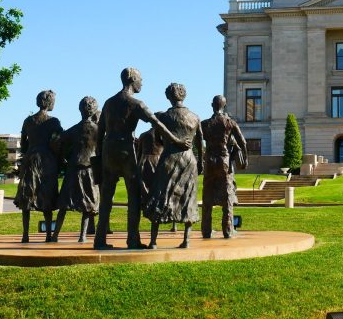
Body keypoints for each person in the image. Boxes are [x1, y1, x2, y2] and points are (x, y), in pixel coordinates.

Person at [93, 67, 191, 250]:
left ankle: (99, 240)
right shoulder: (136, 103)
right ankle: (132, 240)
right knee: (134, 196)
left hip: (108, 151)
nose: (142, 83)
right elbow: (157, 124)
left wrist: (100, 156)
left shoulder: (108, 103)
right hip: (125, 151)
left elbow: (100, 133)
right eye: (140, 79)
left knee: (106, 197)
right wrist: (177, 140)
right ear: (132, 80)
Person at [143, 83, 203, 248]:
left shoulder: (163, 117)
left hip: (169, 158)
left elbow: (158, 140)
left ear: (168, 97)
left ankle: (153, 241)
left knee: (161, 194)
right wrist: (201, 162)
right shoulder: (195, 117)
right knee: (188, 196)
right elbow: (199, 142)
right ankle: (186, 240)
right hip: (189, 160)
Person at [14, 90, 63, 243]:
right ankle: (48, 235)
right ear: (49, 102)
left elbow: (23, 145)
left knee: (26, 196)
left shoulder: (28, 121)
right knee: (47, 196)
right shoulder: (53, 122)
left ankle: (25, 235)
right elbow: (59, 142)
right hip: (47, 161)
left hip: (30, 158)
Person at [52, 96, 101, 243]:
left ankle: (55, 235)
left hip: (73, 167)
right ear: (94, 111)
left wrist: (62, 159)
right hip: (90, 169)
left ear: (80, 110)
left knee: (64, 204)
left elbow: (57, 142)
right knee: (88, 203)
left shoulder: (74, 129)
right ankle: (82, 236)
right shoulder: (99, 130)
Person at [200, 95, 246, 239]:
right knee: (227, 197)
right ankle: (228, 230)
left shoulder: (204, 124)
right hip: (223, 161)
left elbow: (197, 141)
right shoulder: (229, 122)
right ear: (224, 106)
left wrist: (202, 156)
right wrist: (245, 159)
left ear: (212, 105)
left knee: (207, 196)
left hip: (209, 161)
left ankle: (206, 231)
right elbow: (243, 142)